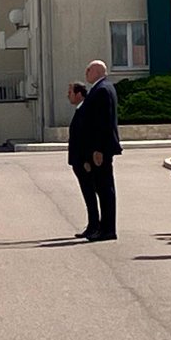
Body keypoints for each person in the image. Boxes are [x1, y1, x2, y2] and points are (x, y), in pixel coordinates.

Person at [80, 60, 122, 241]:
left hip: (101, 150)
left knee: (105, 189)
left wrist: (98, 149)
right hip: (100, 148)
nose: (86, 73)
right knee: (103, 188)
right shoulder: (101, 88)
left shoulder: (102, 90)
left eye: (88, 69)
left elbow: (102, 123)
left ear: (97, 71)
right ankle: (104, 228)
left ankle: (107, 229)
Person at [66, 81, 98, 238]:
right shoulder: (80, 110)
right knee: (87, 193)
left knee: (90, 193)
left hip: (84, 161)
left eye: (70, 92)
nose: (68, 96)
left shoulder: (85, 110)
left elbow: (87, 137)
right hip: (78, 160)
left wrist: (86, 160)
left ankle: (94, 225)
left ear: (79, 94)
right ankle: (92, 224)